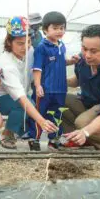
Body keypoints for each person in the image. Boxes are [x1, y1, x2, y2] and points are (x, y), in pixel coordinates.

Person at [0, 16, 58, 149]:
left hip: (21, 95)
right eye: (20, 43)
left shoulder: (30, 51)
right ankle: (7, 133)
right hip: (0, 99)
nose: (25, 47)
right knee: (26, 105)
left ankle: (22, 130)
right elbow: (21, 98)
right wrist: (41, 121)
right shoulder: (5, 64)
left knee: (37, 101)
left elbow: (43, 65)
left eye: (28, 41)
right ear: (9, 42)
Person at [30, 11, 78, 151]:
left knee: (57, 114)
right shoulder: (41, 48)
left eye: (62, 28)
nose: (59, 31)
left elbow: (60, 62)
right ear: (45, 30)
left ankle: (54, 139)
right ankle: (35, 139)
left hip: (60, 89)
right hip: (45, 89)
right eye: (55, 28)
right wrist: (38, 86)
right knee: (39, 114)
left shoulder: (61, 46)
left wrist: (70, 61)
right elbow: (37, 69)